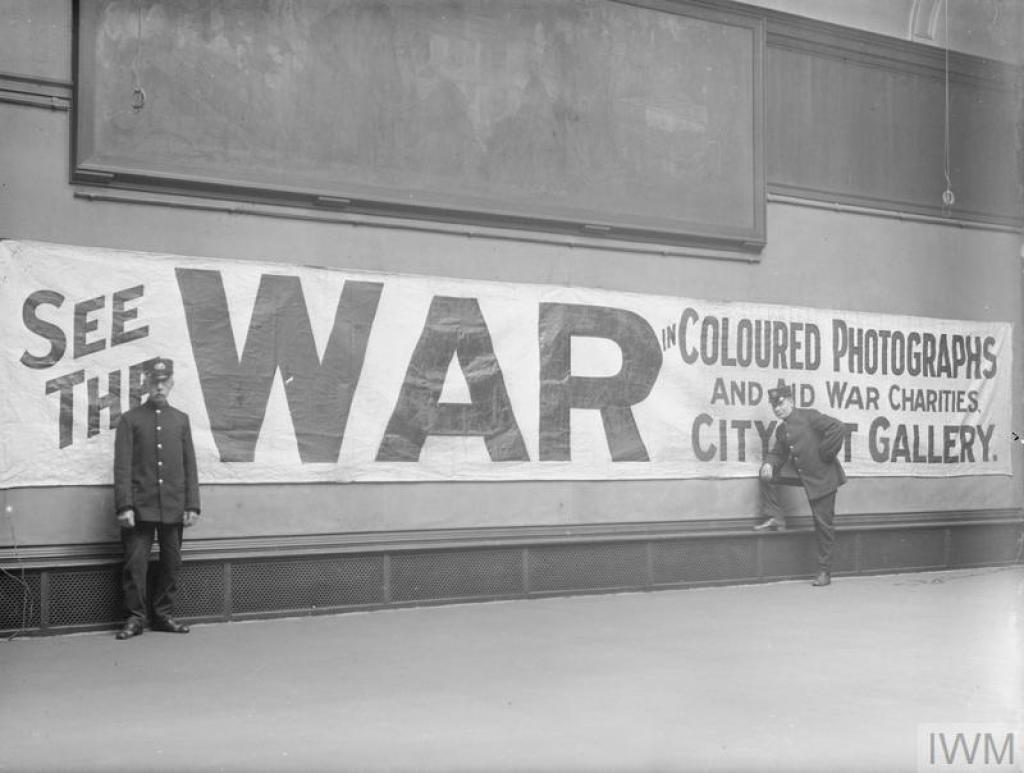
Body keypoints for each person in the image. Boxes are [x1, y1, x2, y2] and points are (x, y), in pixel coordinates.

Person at [113, 357, 200, 638]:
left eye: (164, 382)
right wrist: (124, 505)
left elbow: (190, 466)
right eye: (154, 382)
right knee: (134, 565)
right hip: (139, 507)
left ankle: (163, 615)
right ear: (147, 384)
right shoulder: (130, 420)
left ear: (172, 383)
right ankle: (135, 618)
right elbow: (122, 466)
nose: (159, 387)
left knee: (171, 563)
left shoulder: (181, 420)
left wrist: (192, 504)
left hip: (174, 507)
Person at [754, 379, 847, 587]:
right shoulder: (782, 430)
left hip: (823, 479)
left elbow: (838, 428)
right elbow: (778, 453)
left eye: (780, 404)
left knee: (823, 525)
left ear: (790, 401)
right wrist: (769, 464)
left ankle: (824, 572)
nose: (777, 409)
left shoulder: (809, 416)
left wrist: (826, 453)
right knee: (766, 474)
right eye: (774, 406)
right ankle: (776, 516)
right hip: (803, 477)